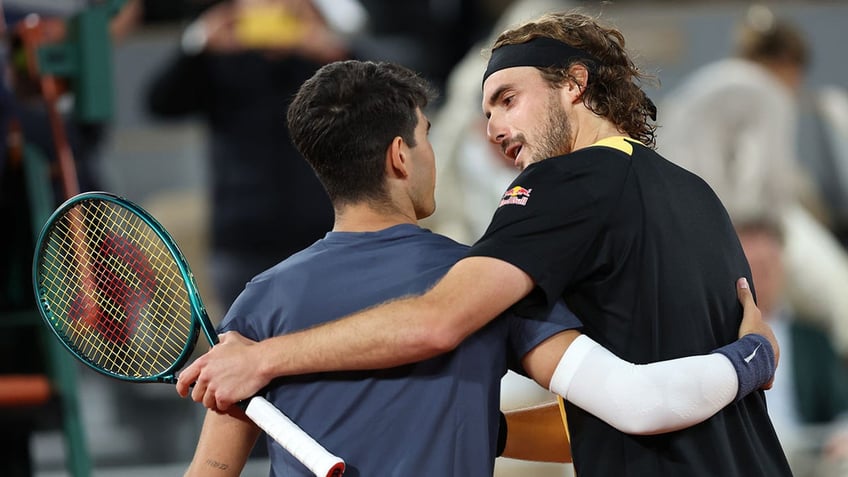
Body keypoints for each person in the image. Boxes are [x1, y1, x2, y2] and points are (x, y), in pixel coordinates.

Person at [177, 11, 792, 476]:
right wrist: (754, 355)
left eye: (506, 99)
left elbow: (438, 321)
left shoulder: (555, 189)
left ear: (575, 85)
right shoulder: (695, 194)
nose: (493, 128)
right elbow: (617, 410)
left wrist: (264, 357)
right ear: (401, 156)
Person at [657, 5, 848, 356]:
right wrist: (767, 233)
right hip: (743, 230)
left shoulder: (700, 85)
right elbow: (760, 176)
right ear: (788, 62)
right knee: (820, 308)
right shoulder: (767, 90)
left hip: (682, 233)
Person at [145, 0, 341, 313]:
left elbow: (380, 104)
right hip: (241, 235)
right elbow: (160, 103)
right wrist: (200, 47)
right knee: (244, 345)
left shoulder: (325, 62)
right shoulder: (219, 60)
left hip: (320, 232)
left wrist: (335, 51)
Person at [736, 217, 848, 477]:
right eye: (752, 267)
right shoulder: (715, 336)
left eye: (767, 266)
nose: (761, 278)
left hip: (805, 458)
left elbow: (840, 407)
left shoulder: (812, 339)